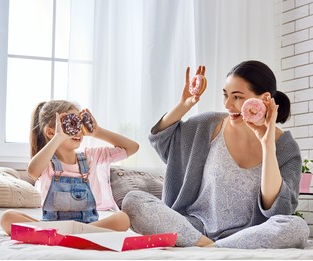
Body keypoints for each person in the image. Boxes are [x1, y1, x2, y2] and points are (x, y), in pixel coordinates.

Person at [122, 60, 310, 249]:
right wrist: (184, 105)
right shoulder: (208, 125)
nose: (228, 104)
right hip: (193, 227)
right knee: (133, 200)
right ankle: (208, 246)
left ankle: (211, 248)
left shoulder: (285, 148)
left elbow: (278, 210)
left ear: (264, 99)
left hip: (247, 234)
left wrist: (267, 143)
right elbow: (161, 139)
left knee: (297, 227)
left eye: (237, 97)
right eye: (226, 95)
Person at [0, 100, 139, 235]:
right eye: (70, 124)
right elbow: (32, 172)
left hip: (87, 226)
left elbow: (132, 147)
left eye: (79, 123)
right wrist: (58, 137)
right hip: (53, 226)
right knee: (8, 217)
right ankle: (71, 236)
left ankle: (66, 236)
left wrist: (97, 131)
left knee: (122, 219)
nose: (77, 130)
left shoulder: (92, 157)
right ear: (50, 132)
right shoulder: (47, 163)